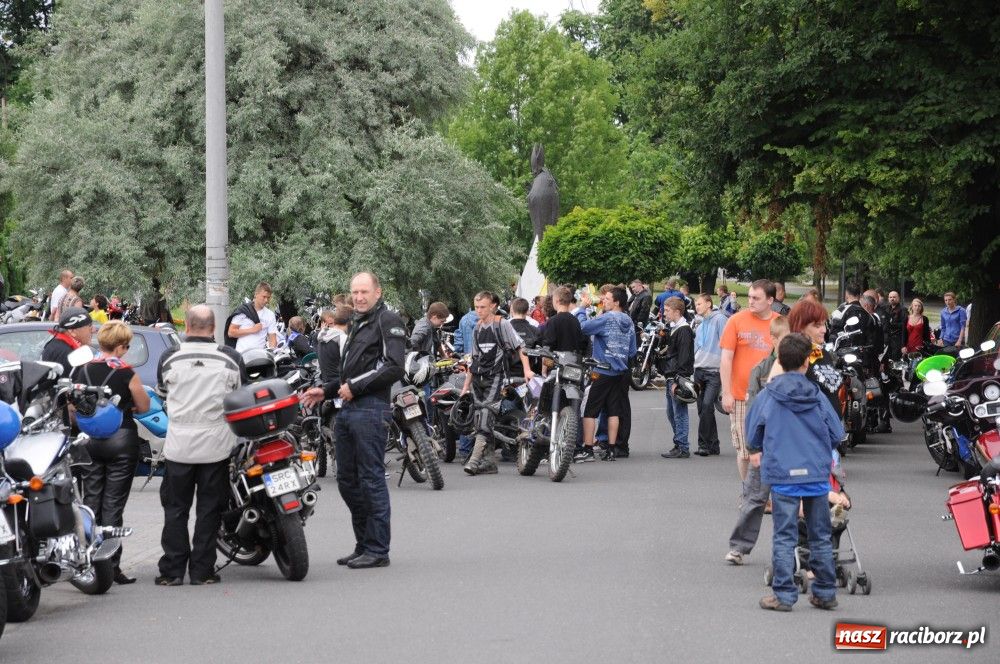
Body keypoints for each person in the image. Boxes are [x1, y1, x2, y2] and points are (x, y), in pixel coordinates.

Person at [307, 272, 404, 568]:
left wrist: (355, 387)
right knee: (347, 481)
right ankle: (363, 544)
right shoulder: (357, 322)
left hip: (371, 409)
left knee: (371, 479)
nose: (359, 297)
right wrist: (325, 391)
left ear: (378, 292)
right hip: (347, 409)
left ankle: (378, 549)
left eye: (364, 291)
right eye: (355, 292)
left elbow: (394, 367)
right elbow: (349, 374)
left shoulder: (387, 320)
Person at [749, 333, 844, 612]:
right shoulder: (817, 396)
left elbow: (753, 434)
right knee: (820, 534)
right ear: (806, 363)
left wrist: (762, 445)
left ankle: (783, 594)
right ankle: (825, 592)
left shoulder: (768, 396)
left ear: (779, 360)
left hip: (783, 473)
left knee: (784, 536)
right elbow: (837, 432)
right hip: (815, 473)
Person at [156, 305, 246, 586]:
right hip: (216, 447)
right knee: (209, 510)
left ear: (187, 326)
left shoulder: (169, 358)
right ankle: (202, 571)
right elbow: (240, 395)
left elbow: (163, 392)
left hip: (179, 447)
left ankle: (172, 571)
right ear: (213, 327)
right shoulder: (231, 358)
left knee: (175, 509)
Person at [73, 321, 151, 585]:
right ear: (120, 347)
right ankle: (111, 566)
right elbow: (143, 405)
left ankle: (87, 562)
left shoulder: (83, 369)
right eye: (126, 346)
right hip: (121, 439)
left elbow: (73, 407)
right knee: (113, 505)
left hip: (89, 441)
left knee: (91, 501)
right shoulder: (126, 372)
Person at [725, 315, 789, 566]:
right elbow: (754, 411)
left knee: (794, 502)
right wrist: (754, 446)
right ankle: (738, 547)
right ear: (773, 340)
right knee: (754, 498)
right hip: (767, 445)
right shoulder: (761, 369)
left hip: (791, 446)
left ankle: (796, 552)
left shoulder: (801, 368)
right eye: (784, 340)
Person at [461, 291, 534, 475]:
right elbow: (473, 360)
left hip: (496, 378)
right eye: (476, 307)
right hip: (478, 380)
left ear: (492, 306)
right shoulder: (477, 328)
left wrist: (527, 370)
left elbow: (521, 347)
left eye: (482, 307)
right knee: (480, 419)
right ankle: (489, 463)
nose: (479, 310)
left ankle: (474, 460)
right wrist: (465, 387)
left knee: (486, 416)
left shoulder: (502, 324)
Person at [720, 279, 779, 481]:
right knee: (745, 451)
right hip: (741, 396)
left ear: (770, 300)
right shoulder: (736, 321)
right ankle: (748, 491)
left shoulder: (780, 323)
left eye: (756, 298)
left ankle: (768, 493)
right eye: (750, 297)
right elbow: (726, 359)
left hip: (773, 397)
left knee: (770, 448)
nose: (751, 301)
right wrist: (726, 393)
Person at [576, 287, 636, 462]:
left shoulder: (607, 318)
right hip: (619, 372)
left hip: (602, 370)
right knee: (613, 411)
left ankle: (588, 449)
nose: (604, 301)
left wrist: (582, 309)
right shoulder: (629, 321)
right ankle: (611, 449)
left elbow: (583, 327)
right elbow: (632, 351)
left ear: (616, 302)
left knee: (590, 411)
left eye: (608, 299)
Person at [660, 297, 694, 459]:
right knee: (671, 413)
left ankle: (683, 446)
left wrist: (678, 379)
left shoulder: (684, 330)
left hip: (677, 377)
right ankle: (679, 443)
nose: (664, 313)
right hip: (671, 376)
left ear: (677, 312)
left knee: (679, 413)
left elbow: (685, 357)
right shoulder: (675, 328)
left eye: (667, 310)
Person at [693, 294, 726, 456]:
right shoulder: (700, 325)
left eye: (699, 303)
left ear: (708, 304)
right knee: (703, 409)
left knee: (707, 406)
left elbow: (726, 345)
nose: (696, 306)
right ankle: (713, 444)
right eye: (695, 304)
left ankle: (703, 444)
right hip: (699, 370)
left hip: (714, 371)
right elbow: (696, 349)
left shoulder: (720, 319)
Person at [41, 307, 94, 376]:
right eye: (90, 326)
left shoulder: (54, 344)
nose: (93, 330)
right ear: (72, 331)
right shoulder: (70, 355)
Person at [226, 282, 278, 352]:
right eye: (264, 297)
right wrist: (252, 330)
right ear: (256, 294)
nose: (266, 300)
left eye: (268, 298)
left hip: (259, 355)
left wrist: (272, 352)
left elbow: (272, 340)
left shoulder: (270, 315)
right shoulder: (243, 311)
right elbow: (231, 333)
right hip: (241, 354)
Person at [827, 284, 876, 349]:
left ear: (846, 295)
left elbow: (833, 333)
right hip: (863, 352)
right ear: (860, 295)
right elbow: (872, 338)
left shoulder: (840, 311)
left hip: (843, 351)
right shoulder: (868, 315)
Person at [540, 286, 586, 354]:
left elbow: (548, 348)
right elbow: (581, 343)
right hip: (573, 359)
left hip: (558, 359)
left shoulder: (553, 321)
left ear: (557, 300)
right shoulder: (575, 320)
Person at [884, 291, 906, 361]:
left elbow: (904, 326)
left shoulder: (903, 310)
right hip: (887, 339)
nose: (892, 299)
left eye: (894, 297)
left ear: (898, 298)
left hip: (897, 340)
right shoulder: (885, 309)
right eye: (890, 297)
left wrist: (891, 324)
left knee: (895, 360)